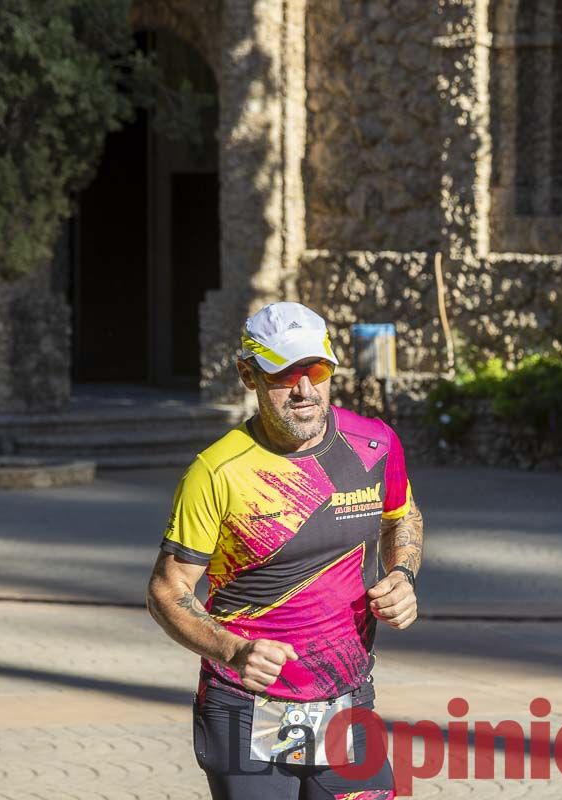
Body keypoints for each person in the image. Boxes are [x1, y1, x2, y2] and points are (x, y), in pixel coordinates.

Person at [147, 301, 423, 800]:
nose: (304, 390)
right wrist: (233, 650)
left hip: (347, 704)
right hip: (245, 708)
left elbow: (401, 515)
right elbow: (168, 590)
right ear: (247, 375)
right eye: (283, 373)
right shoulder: (216, 471)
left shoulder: (374, 444)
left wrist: (402, 573)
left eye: (315, 370)